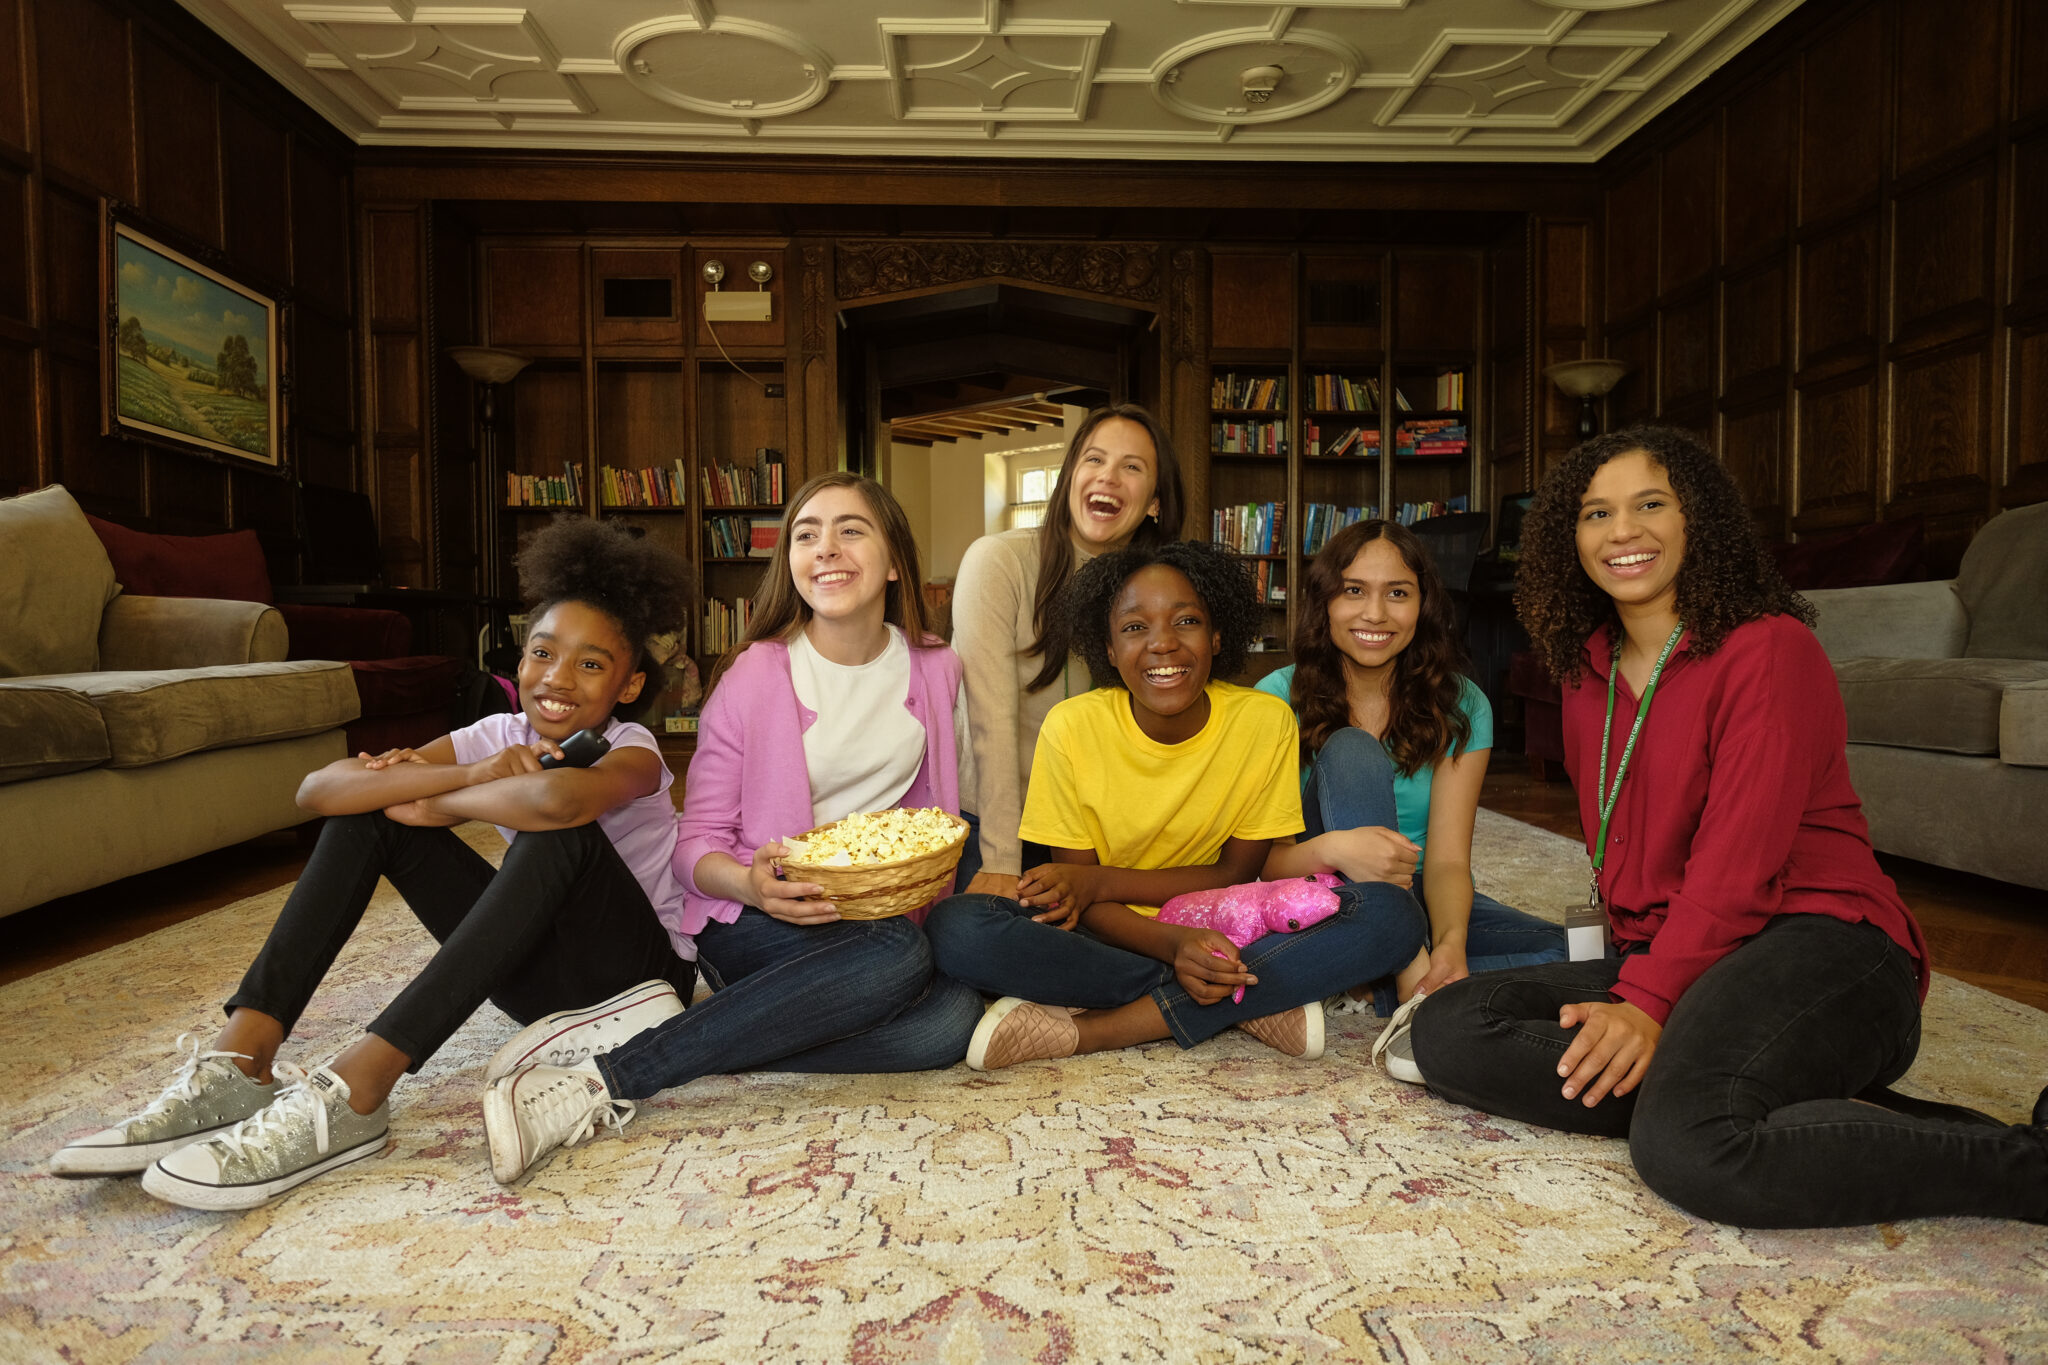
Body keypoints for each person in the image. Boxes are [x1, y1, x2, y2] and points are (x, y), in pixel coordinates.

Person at [1407, 424, 2048, 1228]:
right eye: (1595, 513)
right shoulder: (1583, 669)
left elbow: (1738, 870)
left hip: (1827, 945)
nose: (1623, 531)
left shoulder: (1769, 649)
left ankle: (2030, 1168)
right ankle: (1767, 1091)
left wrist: (1644, 1003)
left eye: (1650, 504)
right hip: (1682, 958)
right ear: (1569, 539)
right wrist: (1643, 977)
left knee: (1689, 1148)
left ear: (1697, 520)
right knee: (1451, 1026)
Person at [51, 517, 697, 1209]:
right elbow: (321, 790)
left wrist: (445, 798)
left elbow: (557, 802)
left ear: (629, 685)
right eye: (544, 652)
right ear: (520, 657)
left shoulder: (633, 750)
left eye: (591, 664)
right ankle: (243, 1056)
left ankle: (360, 1088)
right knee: (368, 817)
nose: (558, 678)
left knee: (555, 835)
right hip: (539, 989)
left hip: (640, 982)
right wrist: (470, 771)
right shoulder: (494, 735)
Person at [481, 473, 983, 1182]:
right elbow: (695, 847)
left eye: (852, 529)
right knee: (900, 958)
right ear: (792, 563)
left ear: (895, 558)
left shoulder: (937, 667)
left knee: (949, 1021)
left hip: (867, 917)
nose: (826, 548)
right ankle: (607, 1077)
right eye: (806, 533)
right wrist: (751, 884)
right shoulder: (755, 673)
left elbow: (942, 818)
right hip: (746, 915)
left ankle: (689, 1034)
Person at [923, 540, 1429, 1070]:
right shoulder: (1071, 728)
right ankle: (1253, 996)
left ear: (1216, 636)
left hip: (1230, 922)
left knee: (1393, 916)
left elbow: (1237, 871)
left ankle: (1105, 1028)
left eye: (1185, 621)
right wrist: (1174, 947)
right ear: (1110, 649)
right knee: (957, 928)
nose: (1162, 644)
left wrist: (1109, 888)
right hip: (1117, 936)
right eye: (1135, 627)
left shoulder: (1264, 722)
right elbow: (1082, 903)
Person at [1257, 519, 1564, 1080]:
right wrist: (1335, 849)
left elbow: (1446, 861)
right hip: (1311, 897)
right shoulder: (1275, 699)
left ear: (1423, 606)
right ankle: (1403, 976)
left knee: (1575, 955)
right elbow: (1261, 863)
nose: (1375, 614)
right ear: (1324, 601)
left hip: (1415, 895)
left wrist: (1448, 945)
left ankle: (1368, 981)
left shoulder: (1462, 704)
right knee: (1351, 750)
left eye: (1397, 593)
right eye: (1354, 591)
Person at [951, 403, 1185, 898]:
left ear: (1155, 503)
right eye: (1094, 460)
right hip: (1004, 826)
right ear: (1070, 477)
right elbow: (988, 718)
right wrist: (999, 861)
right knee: (970, 943)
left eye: (1132, 467)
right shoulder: (999, 560)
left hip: (1105, 834)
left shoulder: (1161, 590)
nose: (1109, 477)